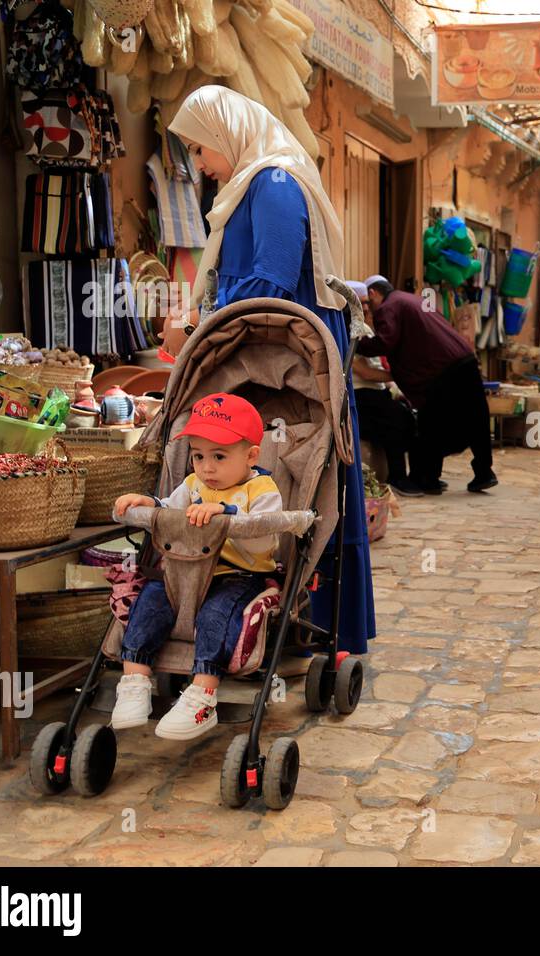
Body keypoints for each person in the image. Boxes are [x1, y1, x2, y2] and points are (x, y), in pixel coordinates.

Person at [163, 86, 375, 654]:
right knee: (260, 479)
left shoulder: (274, 183)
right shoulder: (251, 184)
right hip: (260, 351)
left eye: (202, 150)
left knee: (302, 475)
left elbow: (273, 280)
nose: (202, 166)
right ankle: (252, 628)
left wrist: (197, 328)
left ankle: (314, 629)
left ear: (226, 133)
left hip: (286, 356)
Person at [111, 393, 280, 739]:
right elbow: (171, 512)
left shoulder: (262, 490)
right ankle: (135, 681)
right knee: (151, 601)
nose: (207, 467)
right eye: (198, 456)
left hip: (236, 575)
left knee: (215, 616)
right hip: (184, 574)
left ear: (251, 456)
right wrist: (148, 503)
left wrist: (227, 514)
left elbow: (266, 534)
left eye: (219, 456)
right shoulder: (193, 485)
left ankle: (202, 695)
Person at [355, 276, 497, 495]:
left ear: (373, 293)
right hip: (464, 360)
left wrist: (356, 344)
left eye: (367, 303)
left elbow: (386, 341)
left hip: (441, 372)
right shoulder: (412, 300)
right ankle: (483, 472)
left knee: (431, 425)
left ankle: (426, 478)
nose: (368, 311)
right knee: (477, 417)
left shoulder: (388, 307)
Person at [347, 280, 419, 495]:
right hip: (361, 395)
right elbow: (365, 371)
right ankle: (398, 477)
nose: (367, 308)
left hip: (376, 393)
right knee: (395, 420)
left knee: (408, 417)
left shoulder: (364, 328)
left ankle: (417, 475)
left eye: (367, 303)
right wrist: (401, 375)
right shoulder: (348, 330)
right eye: (361, 303)